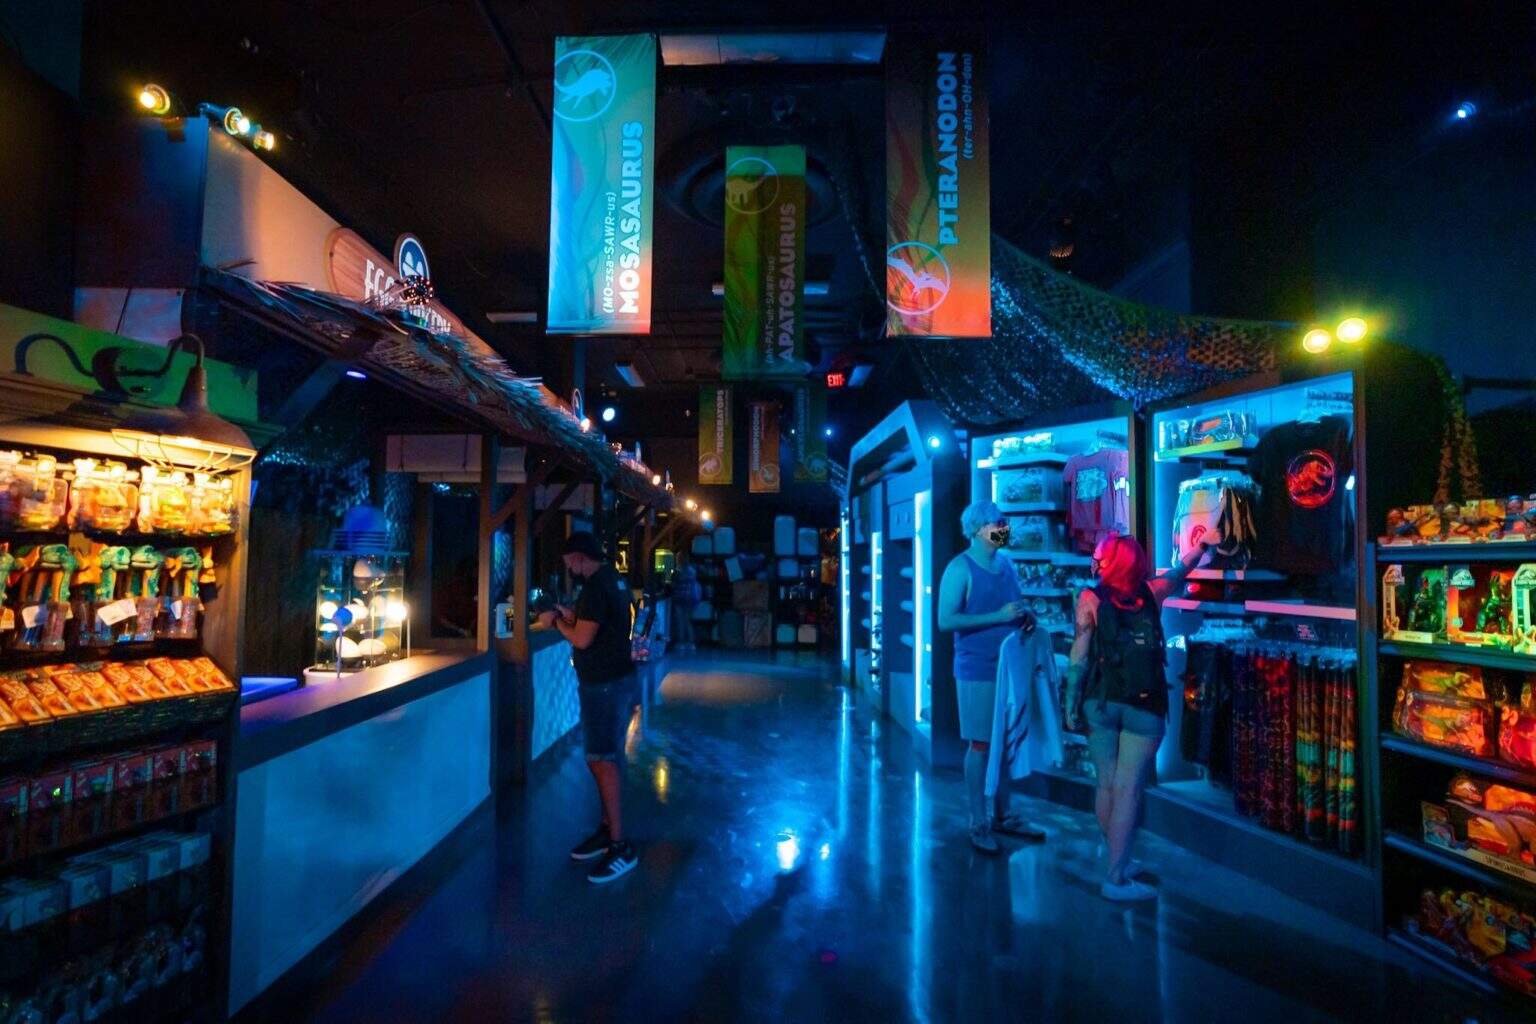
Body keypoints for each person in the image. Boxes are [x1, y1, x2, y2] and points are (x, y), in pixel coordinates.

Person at [1064, 533, 1206, 901]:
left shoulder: (1089, 598)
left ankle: (1117, 864)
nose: (1095, 560)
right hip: (1145, 705)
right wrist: (1203, 545)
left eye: (1100, 555)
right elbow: (1179, 572)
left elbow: (1079, 655)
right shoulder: (1152, 593)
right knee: (1129, 789)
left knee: (1107, 784)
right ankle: (1117, 874)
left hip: (1100, 701)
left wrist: (1070, 702)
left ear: (1110, 562)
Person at [938, 500, 1044, 853]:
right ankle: (978, 820)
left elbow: (1014, 606)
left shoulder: (1006, 564)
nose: (1003, 528)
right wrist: (999, 617)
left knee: (1005, 741)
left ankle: (1004, 814)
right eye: (998, 523)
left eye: (1003, 522)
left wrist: (1025, 616)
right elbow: (946, 620)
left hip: (1009, 666)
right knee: (981, 744)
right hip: (977, 668)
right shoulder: (959, 568)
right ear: (978, 527)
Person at [539, 531, 640, 884]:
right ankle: (608, 829)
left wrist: (556, 622)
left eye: (570, 562)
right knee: (606, 757)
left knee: (601, 759)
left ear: (580, 557)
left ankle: (619, 845)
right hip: (619, 679)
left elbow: (583, 639)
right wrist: (573, 615)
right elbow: (603, 625)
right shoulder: (614, 579)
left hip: (603, 686)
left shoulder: (596, 586)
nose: (569, 568)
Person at [673, 563, 700, 652]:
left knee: (680, 623)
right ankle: (691, 643)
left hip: (680, 599)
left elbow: (675, 583)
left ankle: (681, 643)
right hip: (690, 600)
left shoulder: (679, 571)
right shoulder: (692, 571)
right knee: (688, 622)